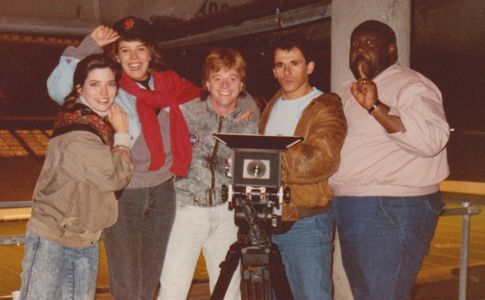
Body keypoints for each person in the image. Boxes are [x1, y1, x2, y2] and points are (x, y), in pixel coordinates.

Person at [46, 17, 201, 300]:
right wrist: (87, 45)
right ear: (115, 55)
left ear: (151, 53)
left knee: (149, 280)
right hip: (125, 194)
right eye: (125, 50)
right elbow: (59, 90)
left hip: (164, 192)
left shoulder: (171, 86)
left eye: (140, 49)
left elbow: (210, 98)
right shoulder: (112, 91)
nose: (133, 57)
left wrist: (244, 108)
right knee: (128, 285)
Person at [330, 20, 450, 300]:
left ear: (391, 49)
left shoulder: (411, 84)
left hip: (391, 209)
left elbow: (432, 139)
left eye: (368, 44)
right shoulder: (354, 91)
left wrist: (375, 106)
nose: (359, 50)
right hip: (356, 208)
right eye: (355, 45)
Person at [19, 54, 133, 299]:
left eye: (110, 84)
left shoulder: (92, 123)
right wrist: (123, 136)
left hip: (82, 238)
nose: (104, 92)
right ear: (80, 88)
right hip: (55, 239)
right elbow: (115, 176)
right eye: (95, 84)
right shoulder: (81, 131)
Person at [158, 48, 259, 300]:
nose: (225, 85)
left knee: (229, 292)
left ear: (241, 83)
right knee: (173, 288)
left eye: (232, 78)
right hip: (186, 212)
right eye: (217, 78)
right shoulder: (185, 112)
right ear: (206, 82)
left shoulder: (249, 121)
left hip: (227, 214)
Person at [259, 35, 347, 300]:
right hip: (267, 220)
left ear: (309, 67)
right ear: (274, 70)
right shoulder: (271, 105)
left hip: (306, 222)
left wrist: (265, 159)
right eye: (280, 65)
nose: (287, 71)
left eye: (294, 63)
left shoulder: (325, 106)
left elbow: (321, 159)